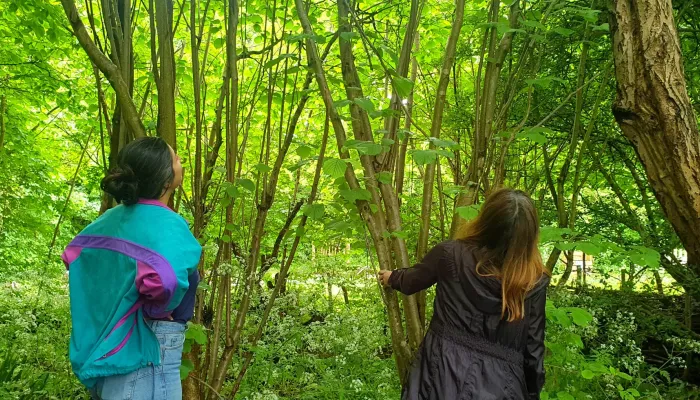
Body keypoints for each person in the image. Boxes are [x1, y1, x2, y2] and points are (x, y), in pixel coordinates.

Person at [61, 137, 201, 400]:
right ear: (165, 179)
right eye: (176, 159)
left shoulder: (109, 219)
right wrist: (157, 310)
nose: (181, 162)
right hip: (148, 349)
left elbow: (73, 255)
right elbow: (166, 281)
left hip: (105, 347)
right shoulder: (169, 224)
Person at [378, 188, 550, 400]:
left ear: (486, 220)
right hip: (504, 386)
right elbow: (533, 351)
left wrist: (392, 277)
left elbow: (413, 280)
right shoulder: (534, 281)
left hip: (442, 375)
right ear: (529, 235)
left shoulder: (450, 254)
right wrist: (531, 393)